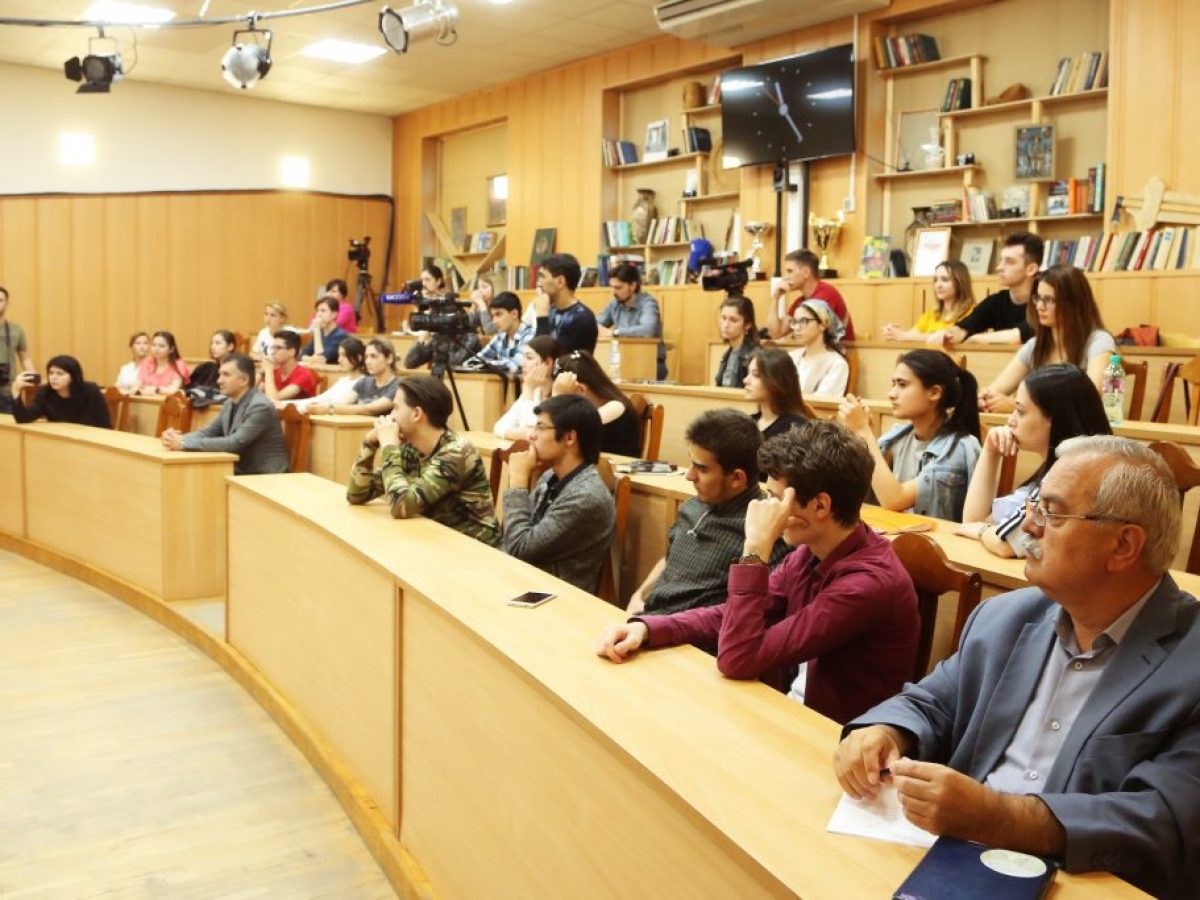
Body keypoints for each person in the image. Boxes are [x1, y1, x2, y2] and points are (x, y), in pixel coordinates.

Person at [834, 436, 1200, 900]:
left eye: (1052, 513)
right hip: (951, 863)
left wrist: (999, 817)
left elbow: (1162, 820)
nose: (1027, 524)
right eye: (1034, 505)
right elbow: (933, 702)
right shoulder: (1005, 617)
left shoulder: (1190, 661)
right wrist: (885, 732)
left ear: (1124, 545)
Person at [596, 420, 919, 725]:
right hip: (790, 711)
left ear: (820, 506)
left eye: (776, 499)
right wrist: (647, 629)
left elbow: (737, 658)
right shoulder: (810, 552)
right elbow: (729, 614)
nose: (764, 509)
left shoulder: (867, 584)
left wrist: (754, 550)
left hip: (834, 739)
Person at [626, 409, 789, 617]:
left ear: (736, 478)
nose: (689, 475)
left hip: (688, 632)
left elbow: (747, 610)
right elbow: (669, 559)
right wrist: (639, 596)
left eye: (701, 469)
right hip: (646, 619)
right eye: (691, 463)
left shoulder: (764, 531)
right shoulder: (692, 506)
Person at [958, 364, 1111, 558]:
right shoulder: (1069, 463)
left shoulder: (1073, 472)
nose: (1011, 421)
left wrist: (982, 531)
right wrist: (990, 451)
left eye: (1020, 411)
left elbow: (1006, 544)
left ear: (1055, 419)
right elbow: (973, 520)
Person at [346, 374, 501, 547]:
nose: (390, 416)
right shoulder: (409, 448)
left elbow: (401, 506)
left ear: (416, 414)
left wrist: (389, 446)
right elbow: (356, 495)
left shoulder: (457, 452)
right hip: (436, 541)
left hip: (474, 550)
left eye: (396, 408)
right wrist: (369, 443)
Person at [839, 349, 981, 522]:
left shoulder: (958, 448)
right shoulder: (898, 437)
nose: (891, 394)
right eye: (893, 384)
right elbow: (853, 485)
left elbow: (894, 499)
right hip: (899, 532)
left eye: (902, 385)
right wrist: (857, 434)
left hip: (936, 538)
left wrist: (863, 432)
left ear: (934, 393)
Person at [501, 394, 615, 593]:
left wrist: (518, 482)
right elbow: (514, 537)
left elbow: (519, 549)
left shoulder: (585, 497)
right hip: (524, 580)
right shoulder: (550, 477)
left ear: (569, 438)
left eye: (541, 427)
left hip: (555, 596)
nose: (531, 436)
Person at [978, 265, 1116, 413]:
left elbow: (1090, 398)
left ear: (1073, 303)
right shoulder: (1035, 345)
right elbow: (996, 389)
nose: (1039, 306)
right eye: (1038, 298)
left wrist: (1018, 406)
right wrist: (984, 398)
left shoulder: (1099, 341)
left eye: (1049, 300)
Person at [162, 353, 288, 475]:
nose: (219, 381)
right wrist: (177, 439)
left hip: (266, 477)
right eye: (220, 375)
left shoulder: (260, 406)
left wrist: (183, 444)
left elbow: (234, 443)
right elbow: (208, 432)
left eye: (226, 375)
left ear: (244, 380)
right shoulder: (229, 403)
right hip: (242, 473)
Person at [942, 231, 1042, 346]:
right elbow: (964, 328)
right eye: (1001, 260)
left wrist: (976, 339)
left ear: (1031, 269)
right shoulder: (996, 301)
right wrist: (947, 335)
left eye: (1009, 262)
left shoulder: (1045, 302)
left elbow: (1016, 337)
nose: (999, 267)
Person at [552, 349, 641, 457]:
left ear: (581, 389)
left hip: (613, 466)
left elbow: (559, 433)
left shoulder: (615, 407)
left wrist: (557, 396)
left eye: (565, 397)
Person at [403, 265, 484, 370]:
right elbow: (409, 362)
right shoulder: (436, 337)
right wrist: (423, 337)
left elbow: (453, 364)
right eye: (422, 280)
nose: (423, 284)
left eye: (427, 279)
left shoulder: (468, 336)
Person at [766, 248, 856, 341]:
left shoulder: (826, 294)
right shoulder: (801, 301)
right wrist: (775, 298)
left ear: (806, 272)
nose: (786, 277)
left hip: (841, 349)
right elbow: (775, 334)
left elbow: (809, 335)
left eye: (790, 271)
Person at [596, 263, 667, 380]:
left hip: (650, 361)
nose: (613, 292)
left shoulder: (648, 303)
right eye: (612, 287)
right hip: (622, 360)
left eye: (618, 288)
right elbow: (596, 324)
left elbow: (648, 330)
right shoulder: (615, 303)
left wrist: (615, 332)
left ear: (633, 286)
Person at [882, 260, 976, 342]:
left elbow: (951, 338)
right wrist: (893, 332)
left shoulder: (973, 313)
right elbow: (911, 336)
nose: (938, 285)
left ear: (960, 283)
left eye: (944, 280)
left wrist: (904, 336)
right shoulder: (931, 314)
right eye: (935, 280)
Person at [11, 355, 110, 428]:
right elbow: (23, 418)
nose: (54, 377)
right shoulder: (45, 393)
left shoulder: (91, 391)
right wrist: (16, 392)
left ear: (73, 376)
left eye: (60, 374)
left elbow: (104, 424)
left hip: (90, 440)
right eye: (51, 373)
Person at [493, 336, 560, 440]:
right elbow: (499, 427)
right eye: (523, 357)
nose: (522, 364)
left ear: (548, 363)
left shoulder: (559, 392)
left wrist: (528, 389)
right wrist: (521, 434)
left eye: (529, 358)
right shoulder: (536, 390)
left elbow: (533, 436)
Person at [309, 338, 399, 416]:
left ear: (389, 358)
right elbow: (343, 403)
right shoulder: (364, 382)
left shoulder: (398, 386)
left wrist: (330, 408)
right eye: (366, 357)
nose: (368, 362)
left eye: (373, 356)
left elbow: (369, 409)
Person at [532, 253, 598, 354]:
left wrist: (542, 318)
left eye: (542, 277)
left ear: (560, 281)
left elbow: (546, 356)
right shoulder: (551, 310)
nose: (538, 284)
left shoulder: (582, 318)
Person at [280, 337, 367, 412]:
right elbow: (321, 398)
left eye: (344, 355)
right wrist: (286, 403)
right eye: (339, 355)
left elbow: (340, 404)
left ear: (358, 357)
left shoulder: (363, 381)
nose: (339, 360)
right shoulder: (343, 380)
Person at [787, 299, 851, 397]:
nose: (797, 328)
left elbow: (823, 402)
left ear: (822, 325)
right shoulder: (790, 357)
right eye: (795, 322)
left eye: (804, 321)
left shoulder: (836, 364)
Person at [744, 348, 808, 443]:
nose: (745, 380)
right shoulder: (747, 423)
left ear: (776, 380)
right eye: (748, 374)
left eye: (756, 375)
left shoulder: (795, 428)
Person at [464, 290, 532, 374]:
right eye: (492, 316)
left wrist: (486, 364)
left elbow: (515, 365)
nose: (494, 321)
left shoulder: (529, 335)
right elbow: (476, 359)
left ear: (514, 314)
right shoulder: (500, 336)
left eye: (498, 314)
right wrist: (481, 364)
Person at [0, 285, 34, 414]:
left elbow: (24, 357)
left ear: (7, 303)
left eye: (0, 300)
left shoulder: (16, 330)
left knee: (8, 425)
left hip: (7, 390)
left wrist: (33, 376)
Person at [714, 295, 760, 388]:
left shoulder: (756, 356)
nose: (726, 325)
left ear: (747, 324)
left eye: (733, 320)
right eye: (723, 318)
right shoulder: (726, 355)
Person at [260, 329, 318, 402]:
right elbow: (251, 396)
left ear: (292, 352)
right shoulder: (275, 372)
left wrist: (268, 371)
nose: (273, 352)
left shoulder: (304, 375)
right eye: (273, 348)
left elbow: (273, 400)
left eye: (278, 348)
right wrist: (259, 374)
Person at [135, 331, 191, 396]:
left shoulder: (178, 365)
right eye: (154, 345)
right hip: (146, 399)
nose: (156, 349)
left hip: (169, 401)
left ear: (171, 349)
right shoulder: (147, 362)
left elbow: (174, 390)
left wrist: (157, 389)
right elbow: (138, 384)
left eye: (161, 346)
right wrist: (136, 389)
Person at [299, 296, 349, 365]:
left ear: (334, 315)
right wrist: (310, 358)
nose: (318, 315)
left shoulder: (340, 335)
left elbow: (321, 358)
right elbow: (302, 355)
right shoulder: (320, 333)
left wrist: (316, 329)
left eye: (323, 311)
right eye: (317, 311)